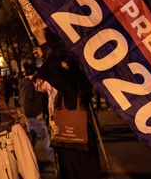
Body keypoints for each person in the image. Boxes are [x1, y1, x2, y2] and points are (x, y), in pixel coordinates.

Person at [34, 28, 101, 179]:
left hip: (73, 139)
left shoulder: (69, 73)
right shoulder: (76, 67)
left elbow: (51, 73)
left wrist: (45, 47)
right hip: (76, 136)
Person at [18, 62, 54, 163]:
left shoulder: (26, 83)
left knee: (31, 140)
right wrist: (37, 113)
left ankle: (26, 160)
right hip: (34, 117)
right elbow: (26, 103)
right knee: (45, 139)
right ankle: (54, 160)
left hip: (31, 117)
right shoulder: (28, 85)